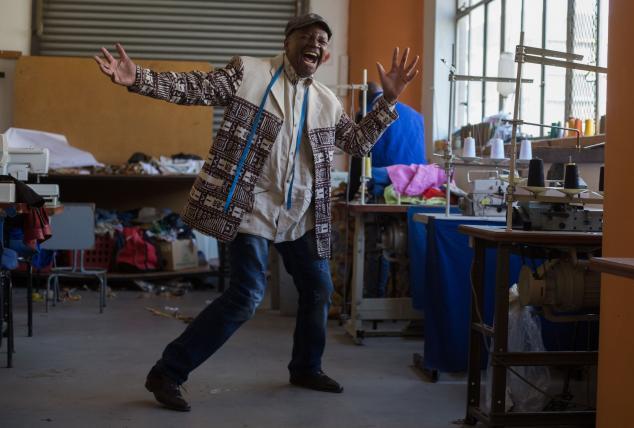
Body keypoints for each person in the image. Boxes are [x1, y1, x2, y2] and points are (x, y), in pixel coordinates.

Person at [94, 13, 419, 412]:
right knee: (246, 295)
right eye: (306, 36)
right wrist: (139, 78)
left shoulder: (326, 101)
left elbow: (358, 143)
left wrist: (388, 101)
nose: (314, 43)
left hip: (298, 215)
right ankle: (168, 371)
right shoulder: (249, 73)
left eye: (321, 39)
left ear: (326, 54)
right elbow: (194, 88)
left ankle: (305, 367)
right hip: (250, 209)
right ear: (287, 42)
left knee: (318, 290)